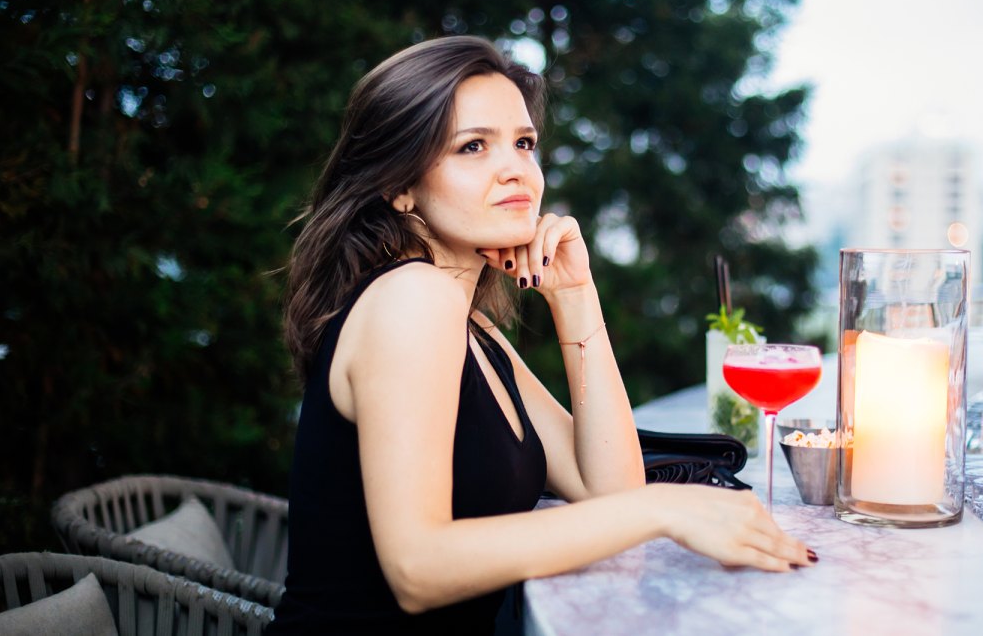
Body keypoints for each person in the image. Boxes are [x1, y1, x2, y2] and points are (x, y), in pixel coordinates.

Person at [266, 35, 814, 634]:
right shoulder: (410, 299)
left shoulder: (471, 326)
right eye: (473, 146)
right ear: (399, 186)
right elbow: (417, 567)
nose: (516, 169)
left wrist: (576, 298)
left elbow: (610, 489)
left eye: (524, 143)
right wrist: (668, 507)